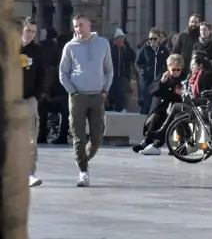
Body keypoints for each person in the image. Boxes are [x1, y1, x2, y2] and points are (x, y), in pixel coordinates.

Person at [58, 13, 114, 188]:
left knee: (97, 136)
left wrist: (105, 91)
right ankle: (83, 171)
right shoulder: (70, 47)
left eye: (81, 25)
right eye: (75, 26)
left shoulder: (103, 44)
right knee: (78, 136)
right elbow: (63, 73)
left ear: (89, 25)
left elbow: (109, 70)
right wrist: (72, 92)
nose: (78, 29)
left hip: (97, 95)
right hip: (78, 96)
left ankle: (83, 158)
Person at [131, 53, 185, 155]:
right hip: (161, 106)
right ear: (169, 67)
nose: (176, 72)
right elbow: (151, 90)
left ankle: (161, 144)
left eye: (178, 69)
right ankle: (148, 141)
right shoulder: (163, 76)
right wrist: (162, 82)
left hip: (176, 107)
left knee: (175, 119)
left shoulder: (182, 80)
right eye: (173, 69)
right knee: (155, 118)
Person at [21, 17, 45, 188]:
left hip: (29, 99)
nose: (30, 34)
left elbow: (42, 75)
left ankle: (30, 173)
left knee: (31, 138)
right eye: (28, 30)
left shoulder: (37, 51)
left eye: (33, 31)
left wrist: (36, 96)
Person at [136, 28, 170, 114]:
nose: (153, 41)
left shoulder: (163, 50)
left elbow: (168, 63)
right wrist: (141, 71)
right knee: (146, 101)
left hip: (158, 80)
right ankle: (143, 121)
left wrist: (166, 72)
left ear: (159, 39)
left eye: (155, 39)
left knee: (155, 102)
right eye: (151, 39)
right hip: (146, 79)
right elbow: (137, 63)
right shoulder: (145, 49)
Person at [107, 29, 136, 112]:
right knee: (111, 91)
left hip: (122, 75)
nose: (121, 40)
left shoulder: (126, 48)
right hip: (111, 75)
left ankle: (119, 108)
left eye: (123, 38)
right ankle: (110, 106)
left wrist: (128, 75)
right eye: (119, 38)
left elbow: (133, 59)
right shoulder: (110, 48)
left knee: (121, 92)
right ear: (115, 38)